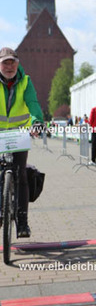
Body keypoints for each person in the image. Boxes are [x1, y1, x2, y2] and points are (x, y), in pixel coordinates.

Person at [0, 47, 43, 238]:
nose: (9, 67)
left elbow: (32, 103)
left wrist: (37, 122)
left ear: (18, 64)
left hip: (19, 133)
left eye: (12, 63)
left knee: (21, 174)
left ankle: (23, 221)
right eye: (5, 63)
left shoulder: (25, 81)